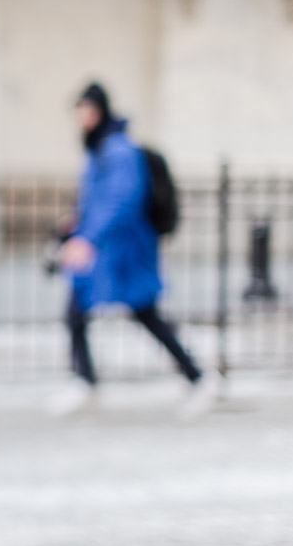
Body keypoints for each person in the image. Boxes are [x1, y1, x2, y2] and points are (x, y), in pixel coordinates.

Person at [51, 82, 219, 417]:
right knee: (76, 311)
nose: (81, 119)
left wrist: (88, 238)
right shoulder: (99, 149)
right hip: (104, 251)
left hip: (123, 251)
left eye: (85, 111)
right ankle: (86, 381)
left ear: (99, 111)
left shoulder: (119, 150)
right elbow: (98, 201)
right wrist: (77, 224)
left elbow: (122, 201)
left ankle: (199, 378)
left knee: (147, 314)